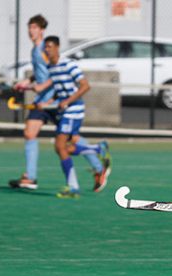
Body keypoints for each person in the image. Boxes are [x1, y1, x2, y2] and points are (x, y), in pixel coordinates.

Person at [8, 15, 110, 193]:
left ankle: (98, 164)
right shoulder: (38, 50)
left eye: (34, 27)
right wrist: (28, 82)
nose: (30, 31)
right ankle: (32, 177)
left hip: (56, 101)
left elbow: (54, 77)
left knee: (68, 142)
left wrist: (40, 88)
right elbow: (47, 73)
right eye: (29, 27)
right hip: (48, 101)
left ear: (42, 30)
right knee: (32, 134)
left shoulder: (45, 50)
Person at [30, 35, 111, 198]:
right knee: (67, 148)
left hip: (74, 110)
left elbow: (85, 86)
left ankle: (73, 187)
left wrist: (67, 101)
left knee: (60, 147)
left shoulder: (68, 64)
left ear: (58, 47)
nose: (47, 49)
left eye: (50, 47)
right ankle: (98, 149)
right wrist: (47, 104)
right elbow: (58, 91)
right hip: (67, 110)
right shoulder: (50, 67)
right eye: (45, 47)